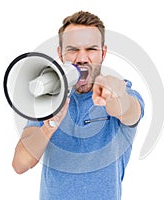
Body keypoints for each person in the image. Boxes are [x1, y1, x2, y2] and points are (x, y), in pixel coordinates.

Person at [12, 11, 145, 200]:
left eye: (91, 49)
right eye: (73, 49)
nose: (82, 58)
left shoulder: (123, 91)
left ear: (103, 53)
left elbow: (129, 111)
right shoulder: (47, 100)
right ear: (60, 53)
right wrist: (49, 126)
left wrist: (116, 94)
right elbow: (20, 163)